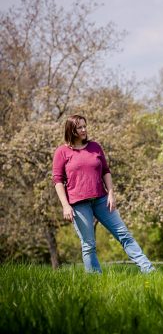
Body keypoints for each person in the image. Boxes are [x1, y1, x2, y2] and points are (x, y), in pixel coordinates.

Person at [52, 114, 154, 274]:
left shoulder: (95, 147)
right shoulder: (62, 152)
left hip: (101, 199)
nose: (84, 130)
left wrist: (111, 194)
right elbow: (58, 181)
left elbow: (106, 171)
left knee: (124, 234)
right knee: (89, 244)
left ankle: (149, 270)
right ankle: (95, 279)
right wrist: (65, 205)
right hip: (78, 204)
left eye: (85, 126)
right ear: (71, 129)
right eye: (80, 127)